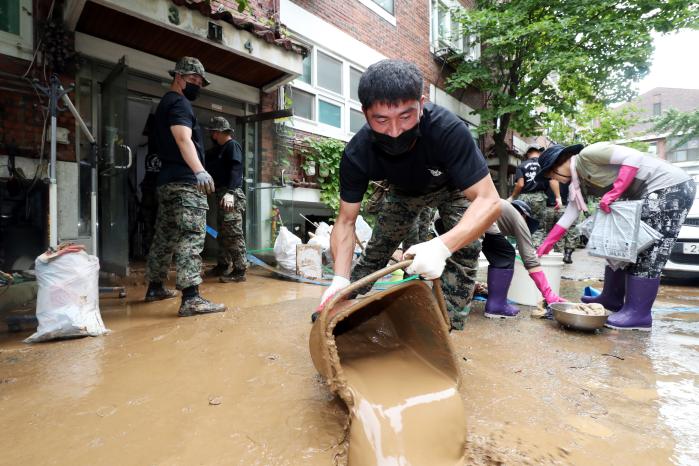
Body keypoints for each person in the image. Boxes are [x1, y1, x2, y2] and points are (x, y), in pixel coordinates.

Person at [318, 59, 501, 329]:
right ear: (365, 113)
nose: (394, 131)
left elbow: (489, 200)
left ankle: (446, 328)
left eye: (406, 116)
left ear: (422, 104)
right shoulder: (358, 153)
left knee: (466, 250)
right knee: (376, 252)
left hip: (454, 189)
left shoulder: (447, 130)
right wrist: (339, 279)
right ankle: (339, 304)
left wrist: (442, 246)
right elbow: (346, 221)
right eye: (381, 120)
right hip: (404, 192)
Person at [536, 142, 695, 331]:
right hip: (648, 193)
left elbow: (634, 157)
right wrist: (547, 243)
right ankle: (612, 297)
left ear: (562, 161)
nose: (554, 179)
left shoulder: (589, 154)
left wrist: (615, 192)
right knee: (618, 243)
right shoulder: (578, 183)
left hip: (670, 187)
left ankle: (638, 313)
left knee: (645, 249)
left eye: (552, 173)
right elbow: (570, 214)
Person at [144, 57, 226, 317]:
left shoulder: (164, 104)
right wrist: (199, 170)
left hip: (167, 182)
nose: (197, 86)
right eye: (193, 80)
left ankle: (155, 286)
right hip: (184, 183)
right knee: (191, 236)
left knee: (164, 237)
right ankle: (191, 297)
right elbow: (183, 138)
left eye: (200, 82)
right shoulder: (178, 102)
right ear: (178, 77)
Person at [480, 199, 566, 318]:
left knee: (500, 250)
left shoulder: (503, 212)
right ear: (524, 215)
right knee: (505, 254)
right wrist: (549, 294)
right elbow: (529, 259)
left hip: (471, 215)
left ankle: (495, 303)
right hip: (478, 219)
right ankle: (496, 306)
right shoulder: (519, 218)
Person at [205, 116, 247, 283]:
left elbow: (236, 170)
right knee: (223, 233)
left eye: (212, 133)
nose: (211, 136)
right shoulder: (217, 150)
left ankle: (240, 269)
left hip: (231, 194)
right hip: (221, 194)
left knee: (233, 233)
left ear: (217, 133)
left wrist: (230, 192)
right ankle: (223, 265)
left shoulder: (232, 146)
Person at [509, 146, 561, 246]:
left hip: (524, 198)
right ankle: (534, 248)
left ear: (528, 153)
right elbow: (553, 180)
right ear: (539, 153)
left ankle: (522, 247)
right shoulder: (545, 165)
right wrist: (558, 197)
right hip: (539, 198)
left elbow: (520, 184)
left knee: (522, 223)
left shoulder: (521, 165)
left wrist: (512, 197)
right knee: (539, 225)